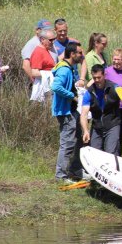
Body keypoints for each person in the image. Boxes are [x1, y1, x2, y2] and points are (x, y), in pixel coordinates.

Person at [51, 42, 85, 182]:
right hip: (65, 112)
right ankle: (61, 176)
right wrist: (72, 96)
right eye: (79, 53)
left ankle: (74, 170)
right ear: (72, 54)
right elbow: (56, 86)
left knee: (76, 138)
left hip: (71, 110)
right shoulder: (64, 69)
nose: (81, 56)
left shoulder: (68, 68)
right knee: (67, 143)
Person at [81, 65, 122, 155]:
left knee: (111, 153)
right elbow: (84, 114)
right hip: (97, 126)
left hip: (112, 124)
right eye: (94, 78)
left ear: (104, 75)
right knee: (95, 154)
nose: (96, 80)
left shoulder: (115, 88)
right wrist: (86, 131)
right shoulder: (89, 92)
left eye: (99, 77)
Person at [29, 29, 58, 102]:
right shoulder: (38, 52)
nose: (53, 42)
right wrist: (51, 74)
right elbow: (34, 72)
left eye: (54, 39)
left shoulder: (46, 50)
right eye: (50, 40)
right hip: (43, 89)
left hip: (49, 87)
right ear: (42, 39)